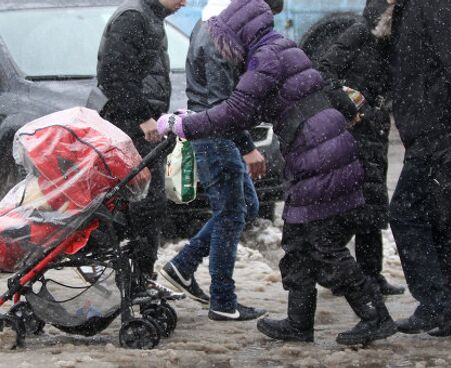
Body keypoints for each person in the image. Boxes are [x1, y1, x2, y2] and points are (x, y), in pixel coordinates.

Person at [157, 0, 397, 345]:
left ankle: (376, 317)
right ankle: (299, 323)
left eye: (228, 42)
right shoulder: (278, 47)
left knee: (323, 244)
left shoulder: (265, 57)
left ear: (240, 32)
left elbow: (237, 110)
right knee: (297, 242)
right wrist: (193, 116)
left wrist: (185, 124)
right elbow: (254, 108)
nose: (227, 51)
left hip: (318, 155)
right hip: (317, 150)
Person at [160, 0, 282, 322]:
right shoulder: (218, 37)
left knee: (245, 207)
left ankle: (184, 264)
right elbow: (221, 105)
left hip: (214, 133)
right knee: (231, 214)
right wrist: (247, 147)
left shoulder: (211, 26)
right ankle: (223, 301)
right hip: (214, 138)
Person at [386, 0, 451, 336]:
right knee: (442, 222)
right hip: (426, 126)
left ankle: (436, 304)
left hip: (437, 128)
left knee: (405, 213)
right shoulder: (410, 6)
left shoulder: (434, 3)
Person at [314, 0, 404, 296]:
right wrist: (348, 104)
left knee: (373, 203)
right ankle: (333, 268)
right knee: (359, 202)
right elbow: (323, 71)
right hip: (355, 130)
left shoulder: (392, 37)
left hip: (375, 128)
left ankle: (370, 273)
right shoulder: (359, 33)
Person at [96, 0, 186, 284]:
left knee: (148, 206)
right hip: (133, 128)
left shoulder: (150, 16)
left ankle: (139, 276)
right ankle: (137, 279)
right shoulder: (134, 17)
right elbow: (114, 74)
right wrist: (142, 116)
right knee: (144, 205)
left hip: (144, 125)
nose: (184, 1)